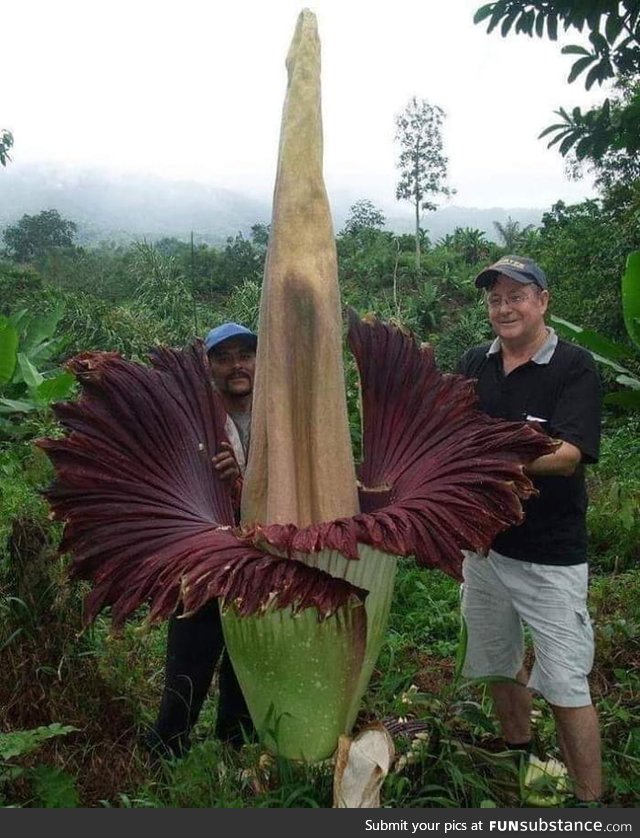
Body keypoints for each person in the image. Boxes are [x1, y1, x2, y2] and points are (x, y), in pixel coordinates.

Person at [456, 255, 602, 806]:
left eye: (517, 296)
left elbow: (567, 455)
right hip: (485, 549)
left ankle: (590, 804)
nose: (504, 307)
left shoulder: (574, 365)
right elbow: (448, 434)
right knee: (497, 661)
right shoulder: (475, 363)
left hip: (549, 556)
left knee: (565, 679)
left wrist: (488, 459)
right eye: (495, 299)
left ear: (542, 301)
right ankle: (518, 753)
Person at [148, 322, 257, 758]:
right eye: (224, 357)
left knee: (247, 655)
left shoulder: (276, 416)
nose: (236, 365)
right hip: (203, 554)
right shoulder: (196, 417)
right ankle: (169, 746)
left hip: (261, 552)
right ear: (208, 366)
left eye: (244, 355)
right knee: (191, 654)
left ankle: (235, 745)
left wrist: (244, 481)